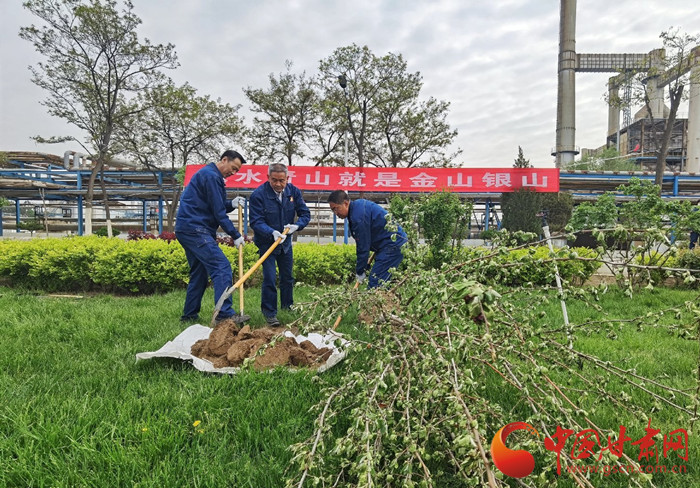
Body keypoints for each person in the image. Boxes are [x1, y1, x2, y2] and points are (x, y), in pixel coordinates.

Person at [175, 150, 249, 324]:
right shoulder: (211, 176)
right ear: (224, 160)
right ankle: (224, 314)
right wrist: (235, 235)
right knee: (221, 267)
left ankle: (189, 316)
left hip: (188, 228)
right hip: (195, 229)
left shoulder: (209, 175)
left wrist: (231, 203)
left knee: (199, 274)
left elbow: (216, 204)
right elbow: (218, 213)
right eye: (233, 167)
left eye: (237, 170)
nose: (234, 172)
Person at [249, 163, 311, 326]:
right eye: (274, 180)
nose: (278, 184)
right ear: (268, 178)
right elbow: (255, 221)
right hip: (266, 244)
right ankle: (270, 313)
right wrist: (271, 232)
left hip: (286, 244)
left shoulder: (293, 192)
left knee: (287, 277)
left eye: (281, 181)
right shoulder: (258, 195)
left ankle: (287, 307)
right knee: (269, 277)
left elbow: (305, 213)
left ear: (287, 179)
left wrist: (297, 226)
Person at [327, 190, 407, 288]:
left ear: (345, 203)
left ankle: (379, 302)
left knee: (376, 283)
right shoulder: (356, 209)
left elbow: (363, 247)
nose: (335, 213)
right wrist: (365, 267)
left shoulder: (358, 217)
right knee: (382, 282)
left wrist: (360, 271)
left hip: (392, 245)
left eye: (336, 209)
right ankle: (390, 302)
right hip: (386, 244)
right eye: (333, 210)